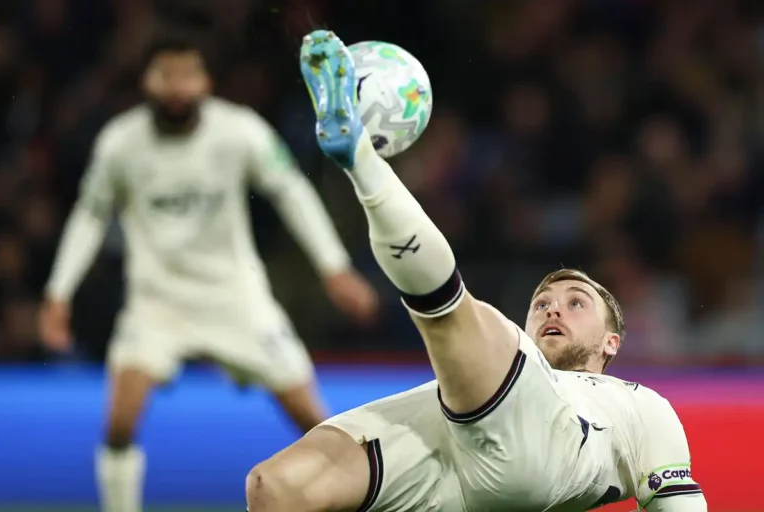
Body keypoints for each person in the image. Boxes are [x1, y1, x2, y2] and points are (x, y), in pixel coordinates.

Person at [243, 30, 707, 512]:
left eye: (576, 303)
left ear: (613, 341)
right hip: (446, 443)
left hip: (545, 446)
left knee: (456, 316)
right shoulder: (498, 364)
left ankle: (359, 158)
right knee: (274, 487)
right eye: (542, 303)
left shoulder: (637, 405)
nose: (553, 308)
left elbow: (678, 504)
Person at [38, 35, 379, 512]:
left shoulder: (239, 131)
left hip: (235, 297)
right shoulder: (121, 142)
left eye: (188, 75)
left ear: (206, 81)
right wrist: (58, 293)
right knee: (119, 424)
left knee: (315, 421)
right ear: (147, 82)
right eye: (166, 75)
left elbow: (290, 192)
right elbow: (90, 215)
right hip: (156, 302)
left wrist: (335, 269)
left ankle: (359, 500)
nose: (177, 87)